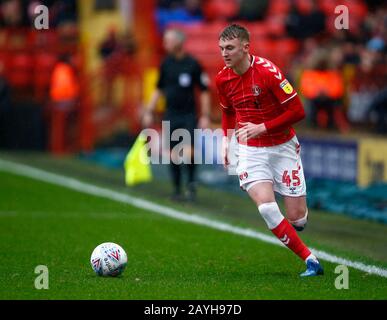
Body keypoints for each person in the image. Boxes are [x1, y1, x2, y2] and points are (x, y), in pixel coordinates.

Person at [216, 24, 323, 277]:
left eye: (229, 48)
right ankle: (311, 260)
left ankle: (297, 221)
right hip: (250, 151)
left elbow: (298, 111)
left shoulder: (269, 73)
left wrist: (262, 127)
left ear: (245, 47)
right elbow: (227, 112)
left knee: (297, 219)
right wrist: (226, 141)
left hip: (282, 147)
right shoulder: (222, 78)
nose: (224, 53)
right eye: (221, 49)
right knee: (266, 207)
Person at [142, 28, 211, 201]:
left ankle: (191, 184)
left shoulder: (193, 64)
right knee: (173, 152)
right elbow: (159, 88)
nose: (165, 44)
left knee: (189, 151)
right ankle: (177, 188)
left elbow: (204, 91)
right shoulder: (166, 64)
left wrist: (205, 115)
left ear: (178, 42)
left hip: (188, 114)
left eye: (168, 41)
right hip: (171, 114)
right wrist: (149, 111)